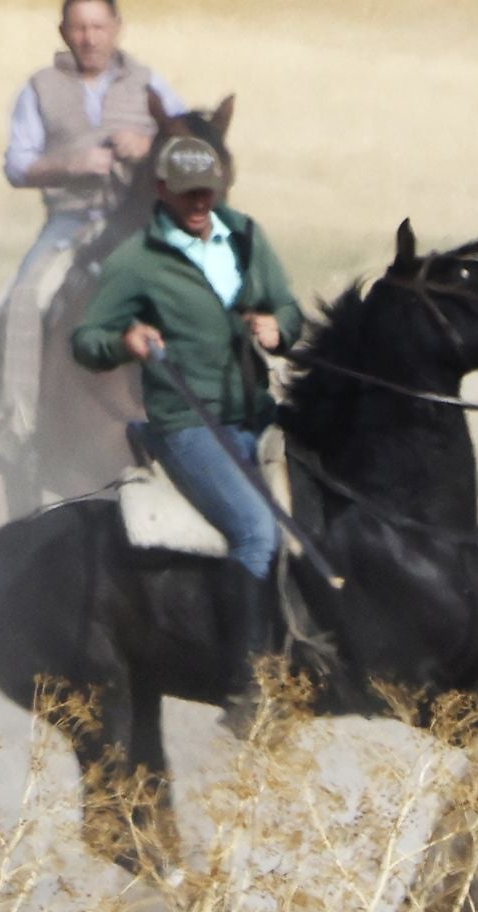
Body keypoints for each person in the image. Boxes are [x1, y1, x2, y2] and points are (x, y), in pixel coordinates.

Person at [71, 135, 301, 726]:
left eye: (209, 192)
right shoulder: (135, 261)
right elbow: (87, 340)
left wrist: (279, 327)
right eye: (188, 193)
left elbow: (288, 309)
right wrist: (123, 340)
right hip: (188, 424)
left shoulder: (246, 236)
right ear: (161, 190)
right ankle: (247, 689)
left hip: (258, 415)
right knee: (256, 531)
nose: (200, 203)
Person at [0, 0, 185, 477]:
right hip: (71, 222)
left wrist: (147, 145)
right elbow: (18, 164)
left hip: (140, 225)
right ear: (63, 32)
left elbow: (188, 142)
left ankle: (224, 416)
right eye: (79, 28)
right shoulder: (40, 87)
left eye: (98, 27)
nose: (89, 38)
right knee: (26, 295)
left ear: (117, 28)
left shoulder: (150, 84)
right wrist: (67, 165)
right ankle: (16, 425)